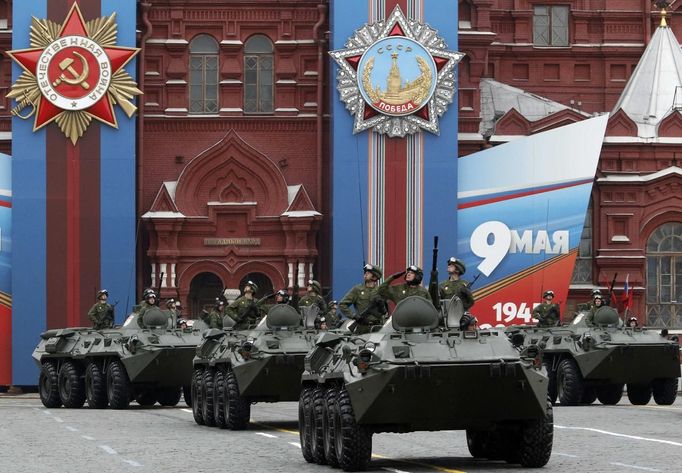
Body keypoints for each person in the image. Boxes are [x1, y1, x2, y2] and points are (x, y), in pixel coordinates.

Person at [339, 264, 387, 333]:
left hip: (377, 328)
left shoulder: (381, 291)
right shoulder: (357, 289)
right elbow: (342, 304)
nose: (365, 273)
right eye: (365, 272)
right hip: (362, 328)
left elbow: (385, 312)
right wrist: (354, 316)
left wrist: (382, 305)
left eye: (369, 272)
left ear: (374, 277)